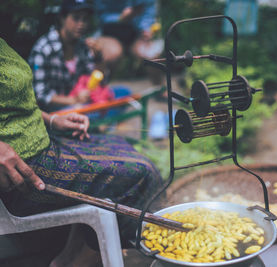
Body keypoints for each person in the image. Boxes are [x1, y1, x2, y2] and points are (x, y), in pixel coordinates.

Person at [0, 34, 162, 266]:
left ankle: (69, 257)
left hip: (44, 140)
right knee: (141, 175)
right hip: (22, 169)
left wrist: (53, 120)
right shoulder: (48, 48)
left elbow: (13, 104)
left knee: (121, 145)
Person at [28, 0, 109, 112]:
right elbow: (40, 94)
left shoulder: (83, 47)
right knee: (96, 109)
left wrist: (98, 57)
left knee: (124, 93)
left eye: (85, 19)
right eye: (76, 18)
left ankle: (97, 119)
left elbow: (100, 83)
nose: (81, 24)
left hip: (82, 104)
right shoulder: (43, 49)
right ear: (62, 18)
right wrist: (73, 100)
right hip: (54, 112)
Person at [86, 0, 164, 83]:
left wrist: (146, 28)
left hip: (136, 33)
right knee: (111, 54)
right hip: (110, 33)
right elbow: (100, 15)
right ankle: (102, 89)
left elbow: (149, 7)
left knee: (152, 53)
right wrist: (120, 18)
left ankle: (160, 88)